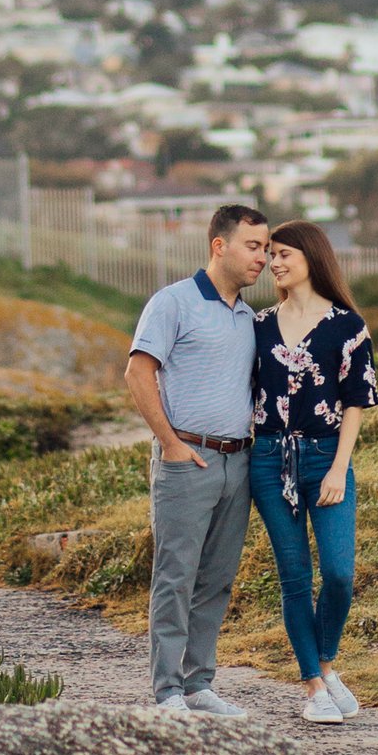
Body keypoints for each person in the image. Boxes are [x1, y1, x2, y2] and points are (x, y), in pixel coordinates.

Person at [125, 201, 274, 718]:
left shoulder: (249, 318)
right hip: (187, 458)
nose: (262, 258)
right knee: (176, 575)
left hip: (238, 462)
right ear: (219, 245)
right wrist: (170, 443)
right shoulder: (174, 302)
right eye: (253, 246)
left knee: (217, 579)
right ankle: (167, 691)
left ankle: (198, 684)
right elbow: (138, 372)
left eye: (266, 248)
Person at [249, 219, 378, 723]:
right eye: (271, 254)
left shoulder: (348, 326)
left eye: (284, 254)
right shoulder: (258, 325)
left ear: (312, 257)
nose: (274, 263)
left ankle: (326, 664)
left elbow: (356, 401)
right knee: (295, 578)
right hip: (268, 460)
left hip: (327, 458)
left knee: (340, 574)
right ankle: (313, 688)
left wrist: (339, 469)